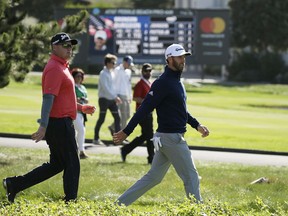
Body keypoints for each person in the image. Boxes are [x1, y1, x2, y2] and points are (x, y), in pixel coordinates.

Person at [2, 32, 96, 203]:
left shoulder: (63, 66)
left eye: (71, 45)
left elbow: (63, 99)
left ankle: (14, 184)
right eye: (66, 45)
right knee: (72, 163)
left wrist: (81, 108)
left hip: (61, 122)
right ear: (54, 47)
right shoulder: (54, 67)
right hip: (59, 124)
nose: (70, 49)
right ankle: (71, 200)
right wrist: (43, 125)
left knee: (58, 164)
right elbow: (48, 99)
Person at [113, 44, 210, 206]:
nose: (183, 60)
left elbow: (181, 111)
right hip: (171, 139)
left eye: (184, 57)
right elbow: (144, 108)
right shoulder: (162, 83)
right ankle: (198, 210)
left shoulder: (176, 82)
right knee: (191, 176)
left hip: (165, 139)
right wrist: (127, 131)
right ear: (169, 59)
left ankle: (118, 205)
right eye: (179, 57)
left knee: (154, 177)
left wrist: (197, 125)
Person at [120, 63, 154, 164]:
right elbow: (135, 98)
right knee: (150, 136)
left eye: (149, 71)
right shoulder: (140, 84)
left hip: (149, 113)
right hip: (142, 113)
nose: (148, 73)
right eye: (146, 71)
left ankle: (125, 149)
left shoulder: (149, 83)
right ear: (142, 72)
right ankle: (151, 158)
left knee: (146, 135)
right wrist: (147, 102)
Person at [93, 53, 121, 145]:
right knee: (102, 119)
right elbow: (105, 88)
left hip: (112, 100)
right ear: (108, 63)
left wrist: (115, 96)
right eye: (113, 62)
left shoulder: (112, 73)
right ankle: (96, 138)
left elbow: (113, 87)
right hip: (104, 100)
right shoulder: (103, 73)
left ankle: (117, 140)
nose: (114, 64)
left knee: (117, 118)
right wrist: (115, 97)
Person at [108, 55, 134, 137]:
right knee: (123, 116)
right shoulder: (117, 70)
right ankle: (122, 136)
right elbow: (113, 83)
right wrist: (115, 96)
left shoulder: (128, 71)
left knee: (128, 115)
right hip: (119, 95)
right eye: (128, 63)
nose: (129, 65)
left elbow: (128, 85)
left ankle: (112, 127)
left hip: (126, 96)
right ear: (124, 62)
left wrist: (130, 96)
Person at [71, 68, 89, 159]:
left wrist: (83, 100)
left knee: (77, 132)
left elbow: (86, 99)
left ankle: (76, 150)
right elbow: (73, 99)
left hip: (82, 112)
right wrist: (81, 99)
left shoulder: (82, 87)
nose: (79, 78)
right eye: (77, 76)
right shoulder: (72, 86)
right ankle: (81, 150)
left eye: (81, 76)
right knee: (81, 130)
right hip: (74, 112)